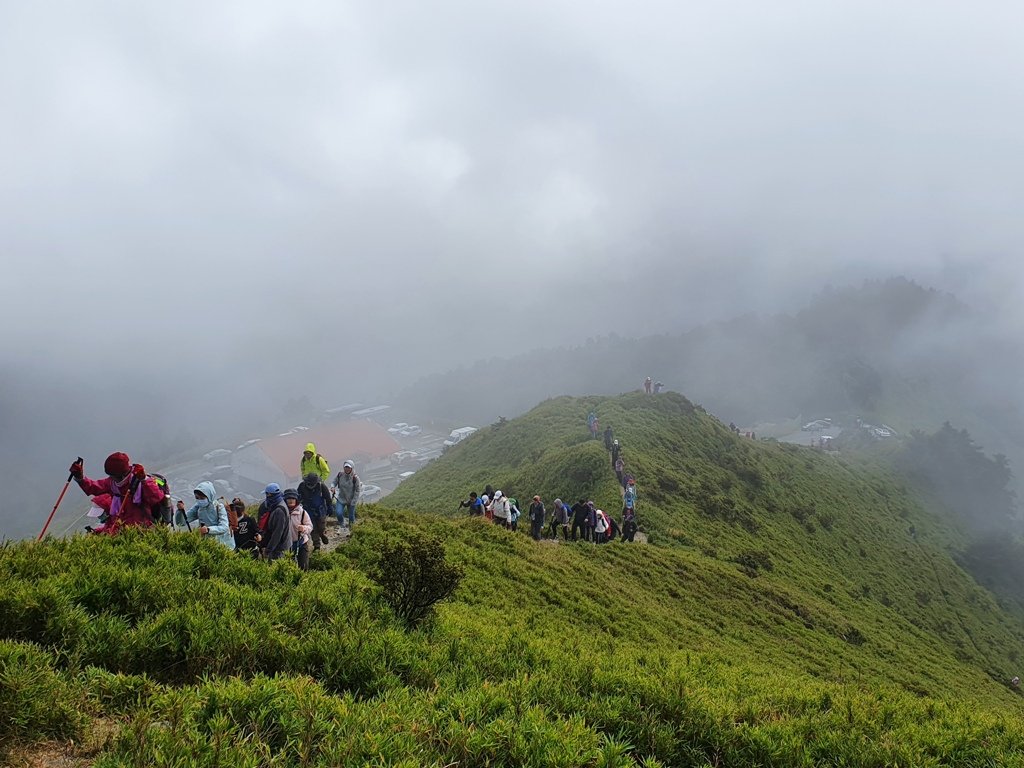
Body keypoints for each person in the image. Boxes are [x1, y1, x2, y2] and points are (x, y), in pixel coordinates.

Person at [70, 452, 164, 534]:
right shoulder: (112, 482)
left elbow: (156, 497)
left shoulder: (139, 480)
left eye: (112, 475)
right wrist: (80, 478)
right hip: (122, 530)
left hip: (143, 530)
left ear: (121, 475)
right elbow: (93, 488)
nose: (110, 477)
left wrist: (144, 480)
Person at [175, 481, 235, 550]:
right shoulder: (198, 507)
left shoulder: (219, 507)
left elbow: (224, 527)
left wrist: (209, 530)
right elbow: (181, 523)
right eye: (197, 498)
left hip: (224, 545)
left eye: (202, 498)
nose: (199, 500)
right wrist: (180, 511)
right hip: (207, 544)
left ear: (210, 496)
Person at [257, 483, 293, 561]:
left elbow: (278, 533)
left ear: (270, 495)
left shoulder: (279, 510)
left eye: (267, 494)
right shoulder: (276, 504)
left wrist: (268, 550)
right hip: (278, 546)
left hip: (279, 548)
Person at [298, 472, 332, 550]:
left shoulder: (321, 486)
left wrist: (330, 507)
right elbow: (298, 497)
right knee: (313, 528)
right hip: (308, 511)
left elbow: (327, 497)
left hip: (321, 510)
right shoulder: (302, 486)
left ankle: (322, 534)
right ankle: (317, 545)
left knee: (321, 526)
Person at [283, 488, 312, 571]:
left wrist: (304, 528)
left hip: (301, 543)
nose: (291, 500)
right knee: (288, 567)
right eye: (288, 498)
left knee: (303, 567)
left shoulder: (302, 512)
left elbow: (310, 526)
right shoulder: (282, 512)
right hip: (287, 544)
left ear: (296, 499)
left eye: (293, 498)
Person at [332, 460, 362, 527]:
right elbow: (334, 482)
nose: (347, 469)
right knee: (338, 513)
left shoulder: (355, 478)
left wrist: (353, 502)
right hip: (341, 498)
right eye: (345, 467)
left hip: (351, 500)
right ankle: (342, 524)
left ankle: (352, 529)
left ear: (352, 468)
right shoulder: (340, 475)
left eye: (348, 467)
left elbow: (357, 491)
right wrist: (332, 487)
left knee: (351, 516)